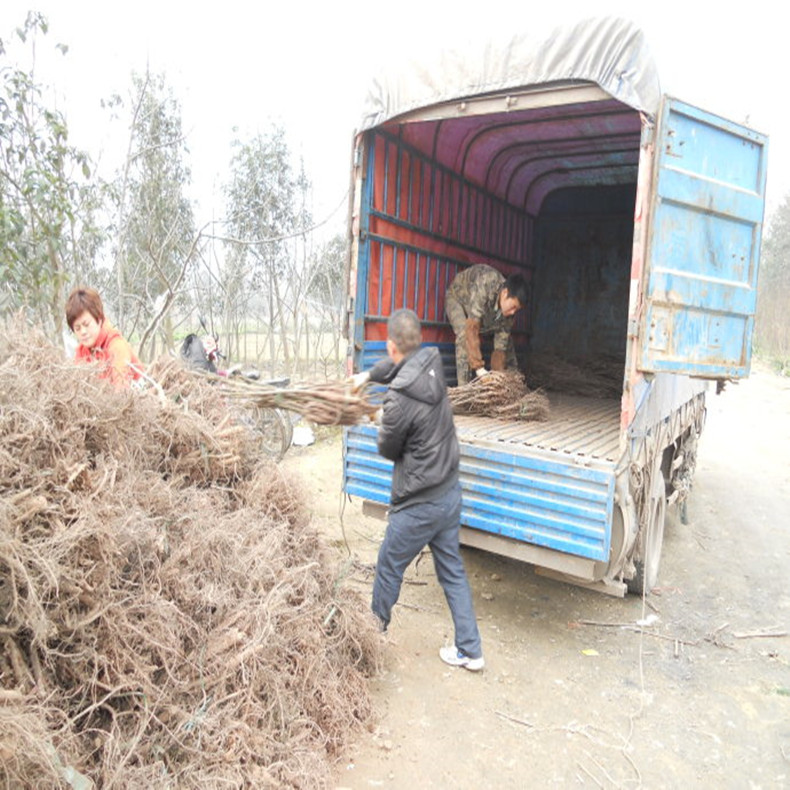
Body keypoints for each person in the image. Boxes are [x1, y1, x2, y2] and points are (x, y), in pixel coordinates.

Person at [353, 309, 484, 671]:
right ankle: (471, 650)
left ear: (392, 345)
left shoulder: (397, 399)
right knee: (452, 570)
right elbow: (395, 371)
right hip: (448, 492)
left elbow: (389, 449)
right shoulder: (430, 363)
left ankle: (371, 641)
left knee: (388, 566)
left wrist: (379, 418)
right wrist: (365, 375)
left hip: (419, 502)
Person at [444, 263, 528, 385]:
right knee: (464, 335)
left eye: (517, 309)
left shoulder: (510, 313)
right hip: (458, 300)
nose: (513, 312)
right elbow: (472, 327)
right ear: (505, 293)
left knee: (507, 341)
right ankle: (464, 390)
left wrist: (497, 374)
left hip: (482, 313)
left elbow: (500, 347)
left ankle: (513, 383)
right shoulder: (486, 283)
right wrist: (479, 369)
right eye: (513, 306)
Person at [65, 287, 143, 388]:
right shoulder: (81, 353)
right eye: (77, 328)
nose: (83, 332)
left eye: (87, 324)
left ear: (99, 320)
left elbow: (122, 391)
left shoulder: (116, 347)